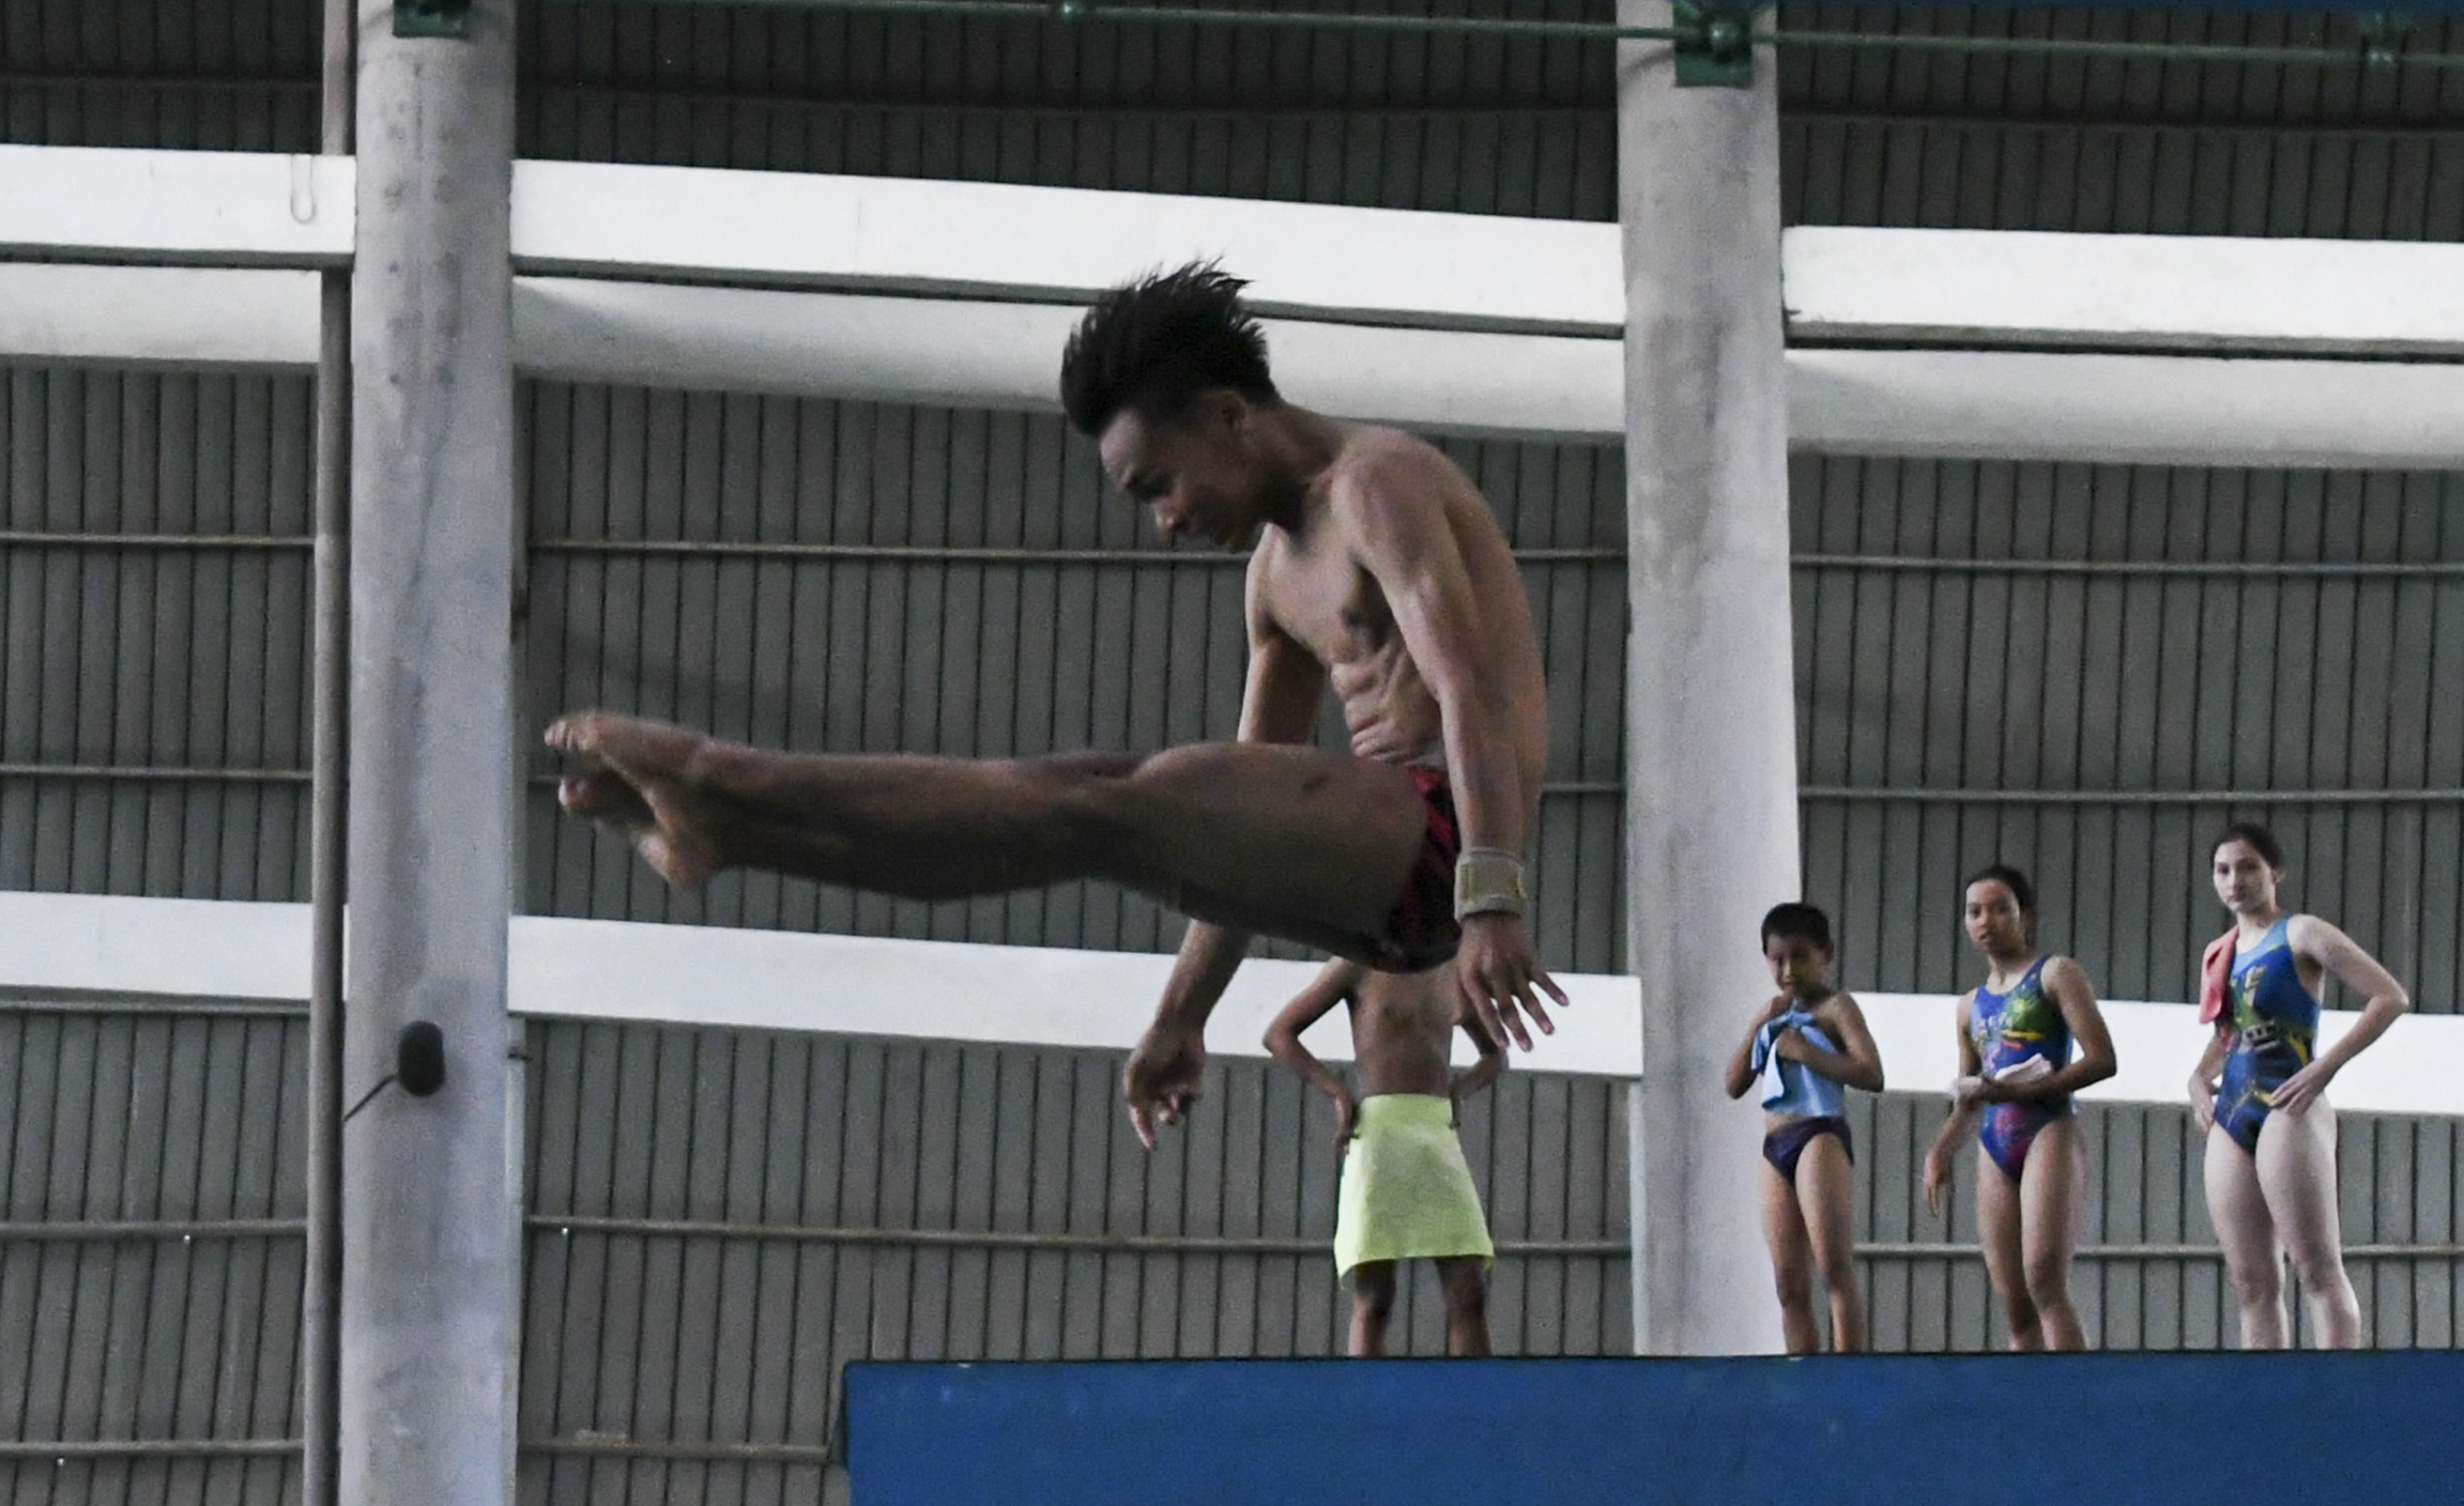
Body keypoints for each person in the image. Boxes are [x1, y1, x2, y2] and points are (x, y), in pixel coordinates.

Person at [543, 262, 1567, 1143]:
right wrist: (1179, 1017)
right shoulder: (1272, 579)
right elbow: (1243, 810)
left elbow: (1468, 685)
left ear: (1227, 414)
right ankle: (737, 833)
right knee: (1084, 826)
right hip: (1383, 889)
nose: (1166, 523)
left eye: (1159, 486)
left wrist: (1493, 901)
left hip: (1449, 838)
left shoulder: (1374, 484)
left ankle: (726, 777)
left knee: (1101, 792)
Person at [2185, 821, 2410, 1350]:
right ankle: (2268, 1408)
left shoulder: (2302, 932)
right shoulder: (2220, 952)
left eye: (2247, 867)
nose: (2234, 880)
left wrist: (2325, 1066)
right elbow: (2229, 1032)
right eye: (2223, 870)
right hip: (2234, 1108)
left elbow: (2389, 997)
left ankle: (2337, 1401)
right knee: (2251, 1282)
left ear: (2275, 872)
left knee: (2316, 1269)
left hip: (2291, 1101)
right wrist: (2198, 1076)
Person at [1263, 956, 1507, 1356]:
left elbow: (1495, 1055)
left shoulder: (1451, 969)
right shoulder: (1355, 964)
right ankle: (1366, 1405)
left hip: (1435, 1134)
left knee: (1469, 1290)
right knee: (1375, 1296)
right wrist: (1336, 1092)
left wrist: (1459, 1090)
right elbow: (1280, 1034)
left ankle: (1473, 1402)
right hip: (1377, 1132)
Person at [1920, 864, 2115, 1352]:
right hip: (1995, 1139)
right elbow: (1971, 1094)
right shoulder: (1969, 1007)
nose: (1986, 920)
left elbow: (2102, 1059)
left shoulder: (2055, 973)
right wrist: (1940, 1151)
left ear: (2024, 916)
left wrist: (2028, 1092)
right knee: (2014, 1301)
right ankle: (2026, 1406)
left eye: (2000, 909)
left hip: (2047, 1127)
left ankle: (2072, 1399)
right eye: (1975, 911)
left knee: (2045, 1280)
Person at [1720, 900, 1884, 1354]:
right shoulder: (1773, 1015)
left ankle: (1849, 1369)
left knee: (1833, 1267)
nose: (1789, 970)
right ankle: (1803, 1370)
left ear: (1825, 954)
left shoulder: (1836, 1008)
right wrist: (1759, 1025)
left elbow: (1872, 1074)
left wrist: (1810, 1054)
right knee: (1788, 1283)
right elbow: (1734, 1083)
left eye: (1800, 957)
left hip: (1819, 1135)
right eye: (1778, 960)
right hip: (1776, 1145)